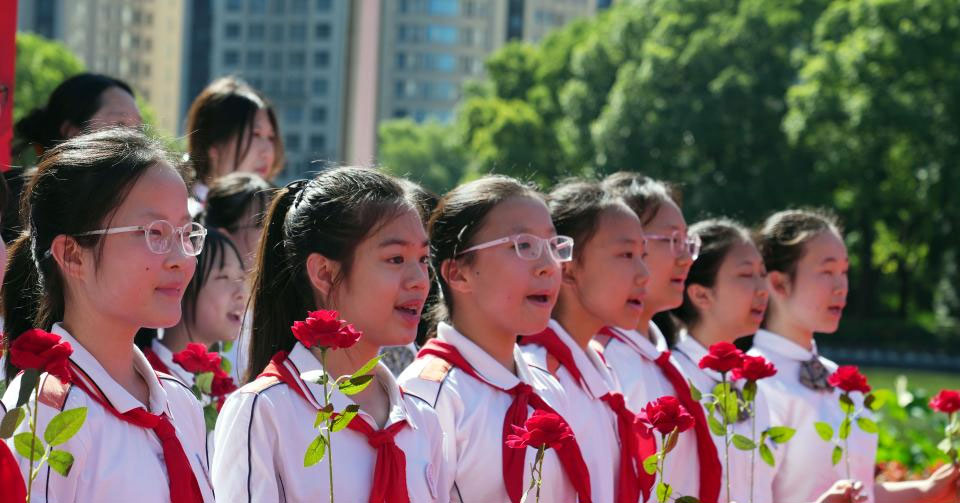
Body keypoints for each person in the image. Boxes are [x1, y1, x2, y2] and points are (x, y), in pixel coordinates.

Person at [1, 128, 213, 501]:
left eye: (185, 232)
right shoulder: (45, 411)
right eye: (155, 232)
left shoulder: (180, 402)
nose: (182, 258)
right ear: (72, 255)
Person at [211, 168, 447, 502]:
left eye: (423, 259)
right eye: (396, 259)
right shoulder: (265, 411)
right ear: (324, 273)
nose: (420, 281)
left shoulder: (422, 420)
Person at [400, 176, 594, 503]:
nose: (549, 266)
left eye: (553, 246)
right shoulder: (427, 395)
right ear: (458, 272)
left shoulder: (546, 387)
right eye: (524, 245)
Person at [751, 209, 960, 503]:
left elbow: (863, 491)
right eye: (827, 272)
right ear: (778, 283)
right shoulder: (752, 384)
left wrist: (926, 491)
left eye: (844, 272)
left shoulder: (840, 378)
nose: (841, 287)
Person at [518, 179, 651, 503]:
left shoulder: (600, 365)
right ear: (568, 267)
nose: (644, 273)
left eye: (643, 255)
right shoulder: (538, 375)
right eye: (626, 254)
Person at [596, 171, 722, 503]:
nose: (686, 257)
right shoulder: (605, 363)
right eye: (671, 240)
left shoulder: (662, 360)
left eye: (687, 242)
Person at [6, 73, 142, 243]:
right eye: (120, 125)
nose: (136, 140)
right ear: (73, 133)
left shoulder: (135, 206)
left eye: (139, 129)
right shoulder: (15, 197)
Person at [138, 228, 247, 386]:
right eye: (223, 277)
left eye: (241, 278)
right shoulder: (145, 384)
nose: (241, 293)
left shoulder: (221, 387)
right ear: (181, 285)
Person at [184, 77, 283, 216]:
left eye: (271, 138)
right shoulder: (184, 218)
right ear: (212, 142)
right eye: (255, 135)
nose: (268, 152)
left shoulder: (272, 217)